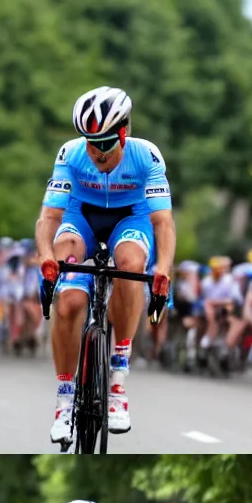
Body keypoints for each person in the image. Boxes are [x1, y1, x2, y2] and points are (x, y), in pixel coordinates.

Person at [36, 86, 175, 442]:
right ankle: (65, 399)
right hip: (82, 216)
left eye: (106, 142)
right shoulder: (70, 153)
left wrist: (164, 268)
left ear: (123, 133)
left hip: (131, 218)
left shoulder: (147, 156)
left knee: (130, 264)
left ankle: (117, 379)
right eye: (90, 142)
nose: (96, 151)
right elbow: (49, 216)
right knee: (69, 299)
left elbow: (163, 223)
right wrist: (46, 256)